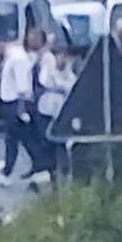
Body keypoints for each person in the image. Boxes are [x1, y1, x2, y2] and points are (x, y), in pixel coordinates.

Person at [0, 30, 41, 185]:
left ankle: (8, 173)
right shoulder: (15, 57)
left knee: (17, 139)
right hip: (12, 102)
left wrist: (21, 109)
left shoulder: (18, 59)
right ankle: (39, 167)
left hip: (15, 103)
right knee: (22, 139)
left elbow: (22, 86)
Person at [31, 43, 77, 185]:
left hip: (61, 111)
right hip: (46, 109)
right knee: (46, 141)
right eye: (58, 56)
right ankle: (49, 169)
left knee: (61, 143)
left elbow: (71, 86)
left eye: (64, 56)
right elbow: (44, 81)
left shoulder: (69, 73)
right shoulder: (48, 69)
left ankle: (62, 169)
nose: (61, 60)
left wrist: (59, 83)